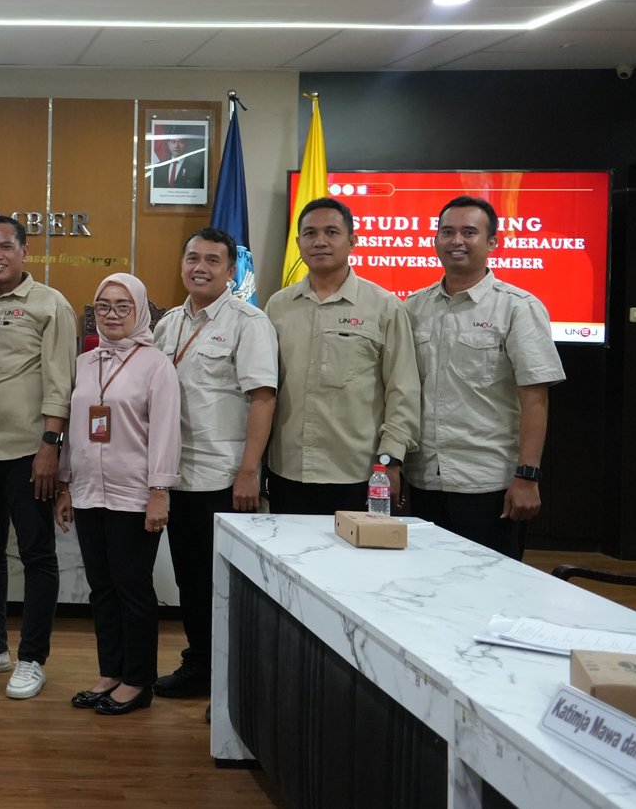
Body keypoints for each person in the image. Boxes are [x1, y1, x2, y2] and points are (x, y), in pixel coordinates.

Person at [151, 227, 277, 699]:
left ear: (229, 270)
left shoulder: (249, 321)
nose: (199, 267)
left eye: (211, 260)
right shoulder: (168, 324)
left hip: (224, 477)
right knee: (190, 580)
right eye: (192, 258)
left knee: (223, 585)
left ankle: (231, 677)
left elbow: (263, 399)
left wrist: (249, 472)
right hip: (177, 474)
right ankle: (201, 664)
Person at [404, 196, 565, 559]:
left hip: (489, 483)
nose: (455, 240)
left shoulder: (518, 307)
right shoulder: (413, 307)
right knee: (423, 591)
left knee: (490, 596)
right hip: (426, 478)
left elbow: (535, 399)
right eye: (447, 231)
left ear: (492, 242)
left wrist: (527, 477)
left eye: (468, 232)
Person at [0, 214, 75, 700]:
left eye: (5, 246)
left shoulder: (50, 304)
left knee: (37, 555)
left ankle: (31, 657)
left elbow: (61, 382)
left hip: (28, 452)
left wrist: (50, 447)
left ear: (24, 251)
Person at [56, 272, 180, 717]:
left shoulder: (156, 364)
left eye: (122, 307)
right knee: (101, 589)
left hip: (134, 495)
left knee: (132, 588)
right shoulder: (86, 361)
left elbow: (166, 432)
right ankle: (111, 671)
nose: (111, 315)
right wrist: (66, 484)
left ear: (140, 311)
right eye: (103, 306)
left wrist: (159, 492)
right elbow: (74, 427)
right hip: (89, 491)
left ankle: (138, 679)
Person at [265, 198, 419, 514]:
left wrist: (390, 461)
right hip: (287, 471)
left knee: (354, 563)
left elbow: (402, 390)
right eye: (310, 233)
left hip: (357, 474)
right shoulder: (278, 307)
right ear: (298, 243)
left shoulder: (384, 306)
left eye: (331, 232)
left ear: (352, 241)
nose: (320, 241)